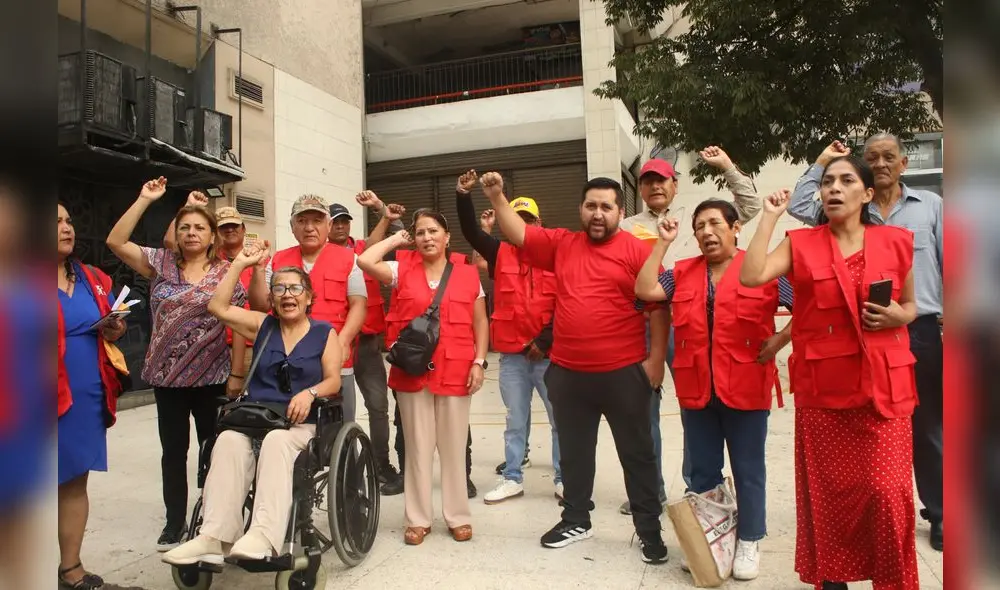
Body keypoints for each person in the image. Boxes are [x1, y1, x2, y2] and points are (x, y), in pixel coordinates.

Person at [741, 157, 920, 590]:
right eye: (827, 182)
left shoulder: (897, 242)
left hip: (884, 391)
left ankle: (892, 581)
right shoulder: (801, 243)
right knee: (829, 498)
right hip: (825, 393)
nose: (834, 189)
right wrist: (768, 216)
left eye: (846, 180)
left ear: (867, 194)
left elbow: (912, 307)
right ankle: (832, 580)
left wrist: (898, 314)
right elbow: (752, 275)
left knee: (888, 495)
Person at [482, 171, 669, 564]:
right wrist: (499, 197)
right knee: (574, 454)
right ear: (580, 210)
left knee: (638, 454)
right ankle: (576, 519)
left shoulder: (638, 251)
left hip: (623, 373)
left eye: (606, 206)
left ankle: (649, 529)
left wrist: (654, 363)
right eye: (590, 206)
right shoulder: (563, 244)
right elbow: (520, 235)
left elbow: (658, 307)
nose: (597, 214)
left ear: (621, 211)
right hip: (567, 373)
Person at [787, 136, 944, 551]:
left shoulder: (929, 206)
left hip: (920, 328)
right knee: (853, 450)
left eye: (888, 157)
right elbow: (800, 205)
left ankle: (940, 511)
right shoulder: (847, 205)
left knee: (928, 427)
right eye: (871, 157)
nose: (879, 163)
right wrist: (824, 160)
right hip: (849, 341)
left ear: (903, 162)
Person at [635, 199, 793, 580]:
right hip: (698, 389)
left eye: (713, 224)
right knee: (702, 470)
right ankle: (710, 538)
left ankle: (750, 538)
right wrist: (662, 243)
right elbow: (645, 289)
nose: (705, 232)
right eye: (699, 227)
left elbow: (810, 305)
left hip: (746, 385)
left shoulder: (762, 269)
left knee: (748, 468)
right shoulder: (683, 271)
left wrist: (780, 340)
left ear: (736, 227)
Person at [162, 242, 344, 565]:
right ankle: (214, 537)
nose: (287, 295)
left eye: (295, 288)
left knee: (276, 442)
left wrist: (309, 393)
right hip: (255, 420)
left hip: (300, 426)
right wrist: (239, 265)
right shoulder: (263, 325)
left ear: (309, 296)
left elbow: (334, 380)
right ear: (271, 298)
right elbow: (217, 307)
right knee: (229, 440)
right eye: (279, 289)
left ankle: (263, 535)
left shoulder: (324, 333)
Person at [618, 146, 760, 515]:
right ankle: (652, 488)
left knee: (693, 407)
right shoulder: (626, 226)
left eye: (661, 180)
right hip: (643, 323)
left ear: (675, 184)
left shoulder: (699, 219)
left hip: (689, 324)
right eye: (647, 181)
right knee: (643, 412)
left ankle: (693, 486)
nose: (654, 187)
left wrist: (728, 165)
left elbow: (751, 204)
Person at [107, 177, 247, 550]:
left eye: (200, 227)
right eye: (185, 226)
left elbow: (238, 323)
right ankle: (174, 522)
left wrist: (236, 374)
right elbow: (116, 242)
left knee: (213, 449)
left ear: (213, 235)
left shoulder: (225, 271)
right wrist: (144, 198)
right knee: (173, 452)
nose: (191, 233)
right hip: (167, 378)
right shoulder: (161, 263)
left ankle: (212, 518)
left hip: (213, 378)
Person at [357, 209, 489, 546]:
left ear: (447, 237)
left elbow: (480, 323)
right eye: (419, 233)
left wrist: (479, 362)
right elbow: (366, 260)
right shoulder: (402, 270)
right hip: (413, 373)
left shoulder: (468, 274)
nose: (426, 238)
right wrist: (396, 237)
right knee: (416, 447)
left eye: (433, 231)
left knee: (454, 447)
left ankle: (458, 516)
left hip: (457, 369)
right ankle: (417, 519)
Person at [454, 169, 559, 503]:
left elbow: (568, 303)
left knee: (561, 420)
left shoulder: (557, 254)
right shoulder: (500, 254)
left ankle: (564, 477)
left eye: (529, 219)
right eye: (517, 217)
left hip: (549, 355)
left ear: (539, 223)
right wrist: (462, 195)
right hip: (513, 357)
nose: (524, 224)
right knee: (515, 419)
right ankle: (513, 476)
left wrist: (544, 341)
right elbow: (471, 232)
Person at [57, 203, 127, 589]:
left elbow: (114, 321)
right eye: (54, 222)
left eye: (68, 220)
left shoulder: (91, 277)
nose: (66, 228)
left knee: (72, 481)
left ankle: (71, 571)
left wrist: (115, 328)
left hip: (84, 395)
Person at [248, 194, 366, 423]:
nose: (309, 227)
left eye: (317, 220)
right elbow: (261, 305)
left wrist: (342, 341)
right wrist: (258, 270)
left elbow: (359, 306)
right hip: (284, 360)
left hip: (335, 359)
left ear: (329, 225)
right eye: (302, 221)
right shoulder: (278, 259)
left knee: (340, 424)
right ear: (292, 227)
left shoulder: (350, 259)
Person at [329, 192, 406, 495]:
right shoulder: (322, 256)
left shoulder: (361, 250)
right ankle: (341, 464)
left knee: (378, 406)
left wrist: (383, 213)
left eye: (345, 221)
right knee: (337, 410)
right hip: (336, 345)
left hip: (369, 343)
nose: (341, 226)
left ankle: (380, 463)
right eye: (335, 222)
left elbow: (374, 242)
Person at [164, 196, 253, 393]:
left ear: (243, 229)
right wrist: (188, 206)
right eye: (224, 227)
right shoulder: (207, 261)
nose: (230, 230)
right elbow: (170, 241)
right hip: (209, 352)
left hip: (247, 348)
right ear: (215, 234)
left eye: (234, 226)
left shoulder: (254, 260)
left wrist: (237, 373)